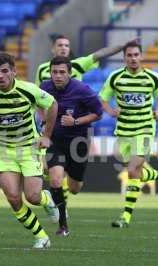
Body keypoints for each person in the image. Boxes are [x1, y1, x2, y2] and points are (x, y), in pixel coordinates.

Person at [36, 34, 137, 209]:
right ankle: (58, 200)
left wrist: (123, 45)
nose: (63, 48)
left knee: (75, 186)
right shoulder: (42, 70)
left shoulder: (78, 65)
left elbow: (100, 54)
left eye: (67, 45)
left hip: (76, 126)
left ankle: (64, 179)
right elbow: (37, 96)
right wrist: (44, 118)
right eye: (60, 45)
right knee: (49, 170)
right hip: (54, 127)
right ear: (53, 49)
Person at [0, 52, 59, 249]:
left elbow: (53, 104)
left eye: (4, 71)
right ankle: (41, 236)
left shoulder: (28, 90)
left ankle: (47, 200)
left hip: (29, 148)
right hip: (4, 150)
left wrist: (46, 135)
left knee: (33, 197)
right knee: (12, 197)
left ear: (13, 71)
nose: (0, 76)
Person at [99, 40, 158, 228]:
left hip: (145, 128)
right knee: (135, 171)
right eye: (129, 55)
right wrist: (109, 110)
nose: (133, 58)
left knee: (132, 171)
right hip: (123, 130)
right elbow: (102, 98)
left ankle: (125, 217)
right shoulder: (115, 78)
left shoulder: (152, 78)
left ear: (141, 56)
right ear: (124, 58)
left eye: (136, 55)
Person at [40, 56, 103, 236]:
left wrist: (76, 121)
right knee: (55, 180)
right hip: (56, 141)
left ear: (69, 73)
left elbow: (98, 114)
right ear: (50, 73)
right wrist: (43, 120)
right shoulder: (45, 87)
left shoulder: (82, 90)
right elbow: (36, 103)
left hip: (78, 142)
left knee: (74, 188)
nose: (58, 76)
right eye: (54, 72)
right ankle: (63, 225)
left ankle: (65, 174)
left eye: (62, 72)